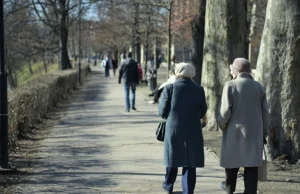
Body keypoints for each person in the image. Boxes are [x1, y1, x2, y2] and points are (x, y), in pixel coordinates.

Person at [218, 58, 269, 194]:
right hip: (254, 133)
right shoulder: (259, 87)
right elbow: (265, 113)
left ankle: (229, 188)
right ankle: (250, 191)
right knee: (251, 166)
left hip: (234, 131)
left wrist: (222, 125)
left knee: (231, 163)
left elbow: (225, 112)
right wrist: (264, 133)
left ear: (236, 71)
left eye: (231, 69)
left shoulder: (230, 85)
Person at [158, 63, 207, 194]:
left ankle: (168, 185)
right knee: (190, 162)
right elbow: (203, 110)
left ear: (177, 73)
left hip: (173, 128)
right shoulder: (199, 89)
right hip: (193, 129)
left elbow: (162, 111)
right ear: (192, 73)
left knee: (172, 157)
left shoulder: (169, 88)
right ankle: (188, 190)